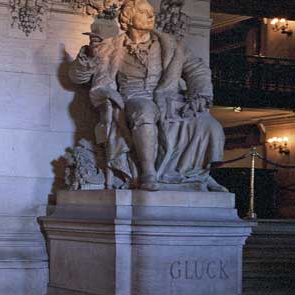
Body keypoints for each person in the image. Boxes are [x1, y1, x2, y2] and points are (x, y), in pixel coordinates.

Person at [68, 0, 226, 192]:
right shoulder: (111, 47)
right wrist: (90, 55)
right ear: (128, 18)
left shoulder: (171, 45)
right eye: (144, 12)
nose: (151, 16)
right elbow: (77, 77)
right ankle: (148, 172)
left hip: (169, 101)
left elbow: (197, 69)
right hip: (131, 100)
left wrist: (200, 94)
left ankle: (199, 175)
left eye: (151, 12)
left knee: (208, 124)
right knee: (145, 110)